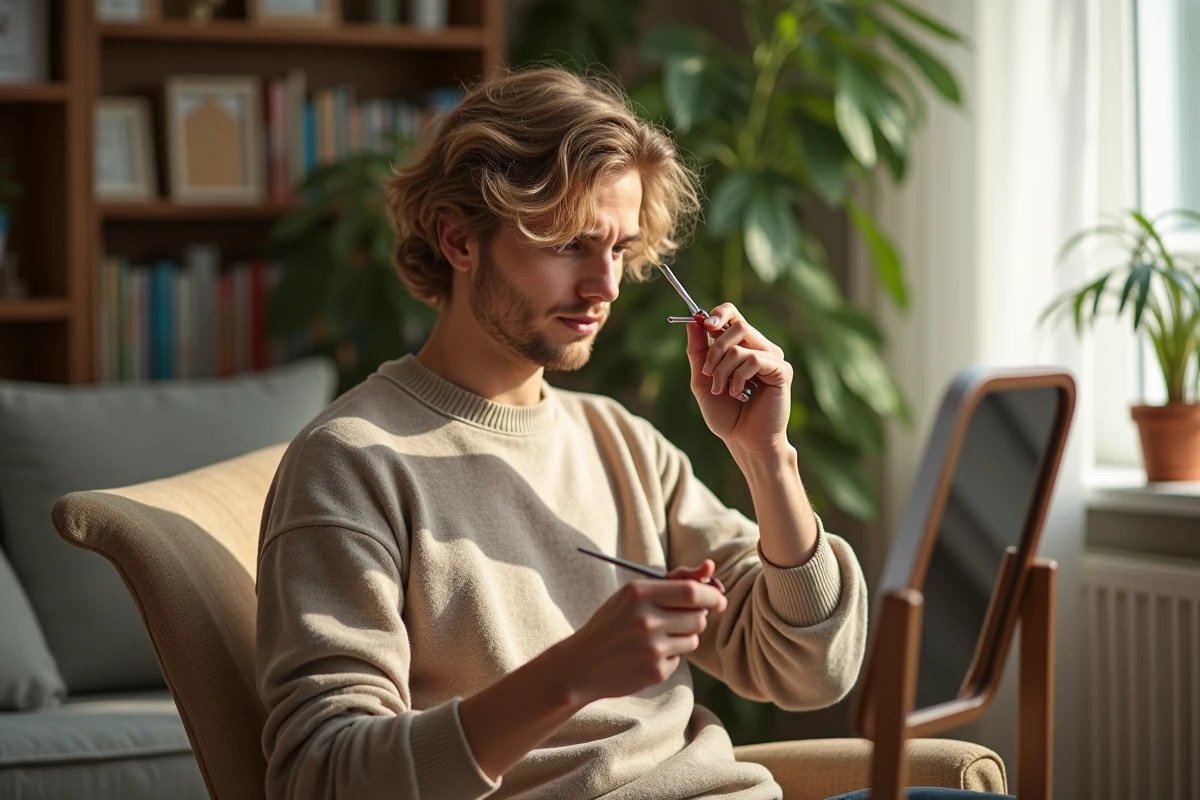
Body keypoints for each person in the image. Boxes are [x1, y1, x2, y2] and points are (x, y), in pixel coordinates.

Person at [254, 66, 1002, 800]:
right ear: (458, 241)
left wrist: (767, 458)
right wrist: (574, 672)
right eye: (566, 244)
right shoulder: (350, 463)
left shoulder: (621, 442)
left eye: (618, 248)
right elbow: (322, 776)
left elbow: (811, 671)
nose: (605, 287)